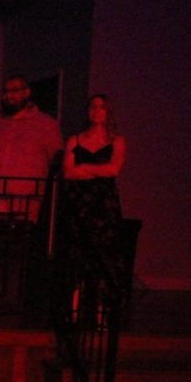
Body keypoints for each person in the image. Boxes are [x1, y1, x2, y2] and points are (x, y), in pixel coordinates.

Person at [60, 93, 127, 285]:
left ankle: (102, 303)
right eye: (92, 107)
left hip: (103, 204)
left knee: (104, 251)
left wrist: (85, 167)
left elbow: (113, 169)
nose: (96, 111)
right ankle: (74, 301)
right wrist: (98, 170)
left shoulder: (117, 141)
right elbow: (68, 173)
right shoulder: (75, 140)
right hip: (78, 203)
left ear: (108, 112)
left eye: (101, 107)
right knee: (77, 250)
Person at [0, 74, 62, 214]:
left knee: (19, 234)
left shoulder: (46, 125)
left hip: (25, 200)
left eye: (14, 91)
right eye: (5, 92)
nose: (8, 96)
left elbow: (56, 162)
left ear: (27, 92)